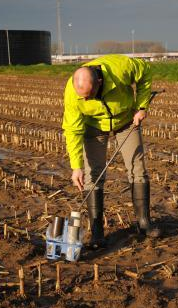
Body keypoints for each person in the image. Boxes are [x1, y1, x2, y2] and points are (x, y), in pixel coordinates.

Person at [62, 54, 160, 249]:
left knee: (137, 168)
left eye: (89, 95)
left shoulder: (121, 67)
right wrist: (76, 166)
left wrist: (141, 106)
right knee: (93, 174)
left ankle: (143, 223)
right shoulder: (73, 93)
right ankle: (97, 233)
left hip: (125, 120)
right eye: (83, 97)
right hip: (94, 126)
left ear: (99, 81)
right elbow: (72, 130)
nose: (86, 99)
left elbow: (146, 72)